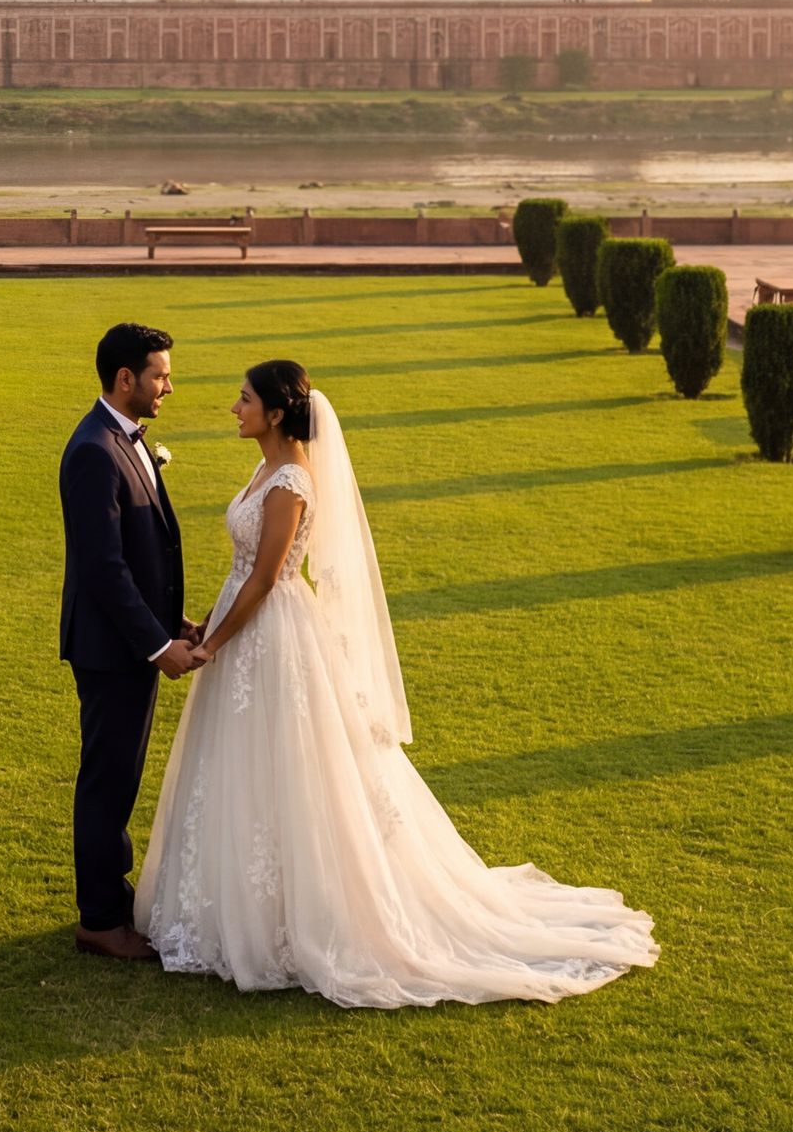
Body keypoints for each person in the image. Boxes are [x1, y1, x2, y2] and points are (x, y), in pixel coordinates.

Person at [132, 359, 658, 1007]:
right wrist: (202, 623)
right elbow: (240, 570)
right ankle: (231, 904)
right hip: (245, 631)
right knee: (242, 769)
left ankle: (292, 918)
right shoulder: (265, 467)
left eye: (243, 399)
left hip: (276, 637)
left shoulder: (292, 480)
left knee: (292, 768)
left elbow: (268, 578)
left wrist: (212, 643)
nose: (232, 407)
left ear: (274, 412)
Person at [55, 321, 200, 960]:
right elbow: (104, 569)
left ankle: (108, 903)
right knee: (108, 782)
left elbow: (147, 549)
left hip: (134, 639)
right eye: (160, 375)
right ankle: (100, 919)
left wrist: (175, 623)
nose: (169, 385)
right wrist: (156, 646)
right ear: (126, 379)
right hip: (113, 650)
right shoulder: (93, 450)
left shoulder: (126, 439)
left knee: (119, 776)